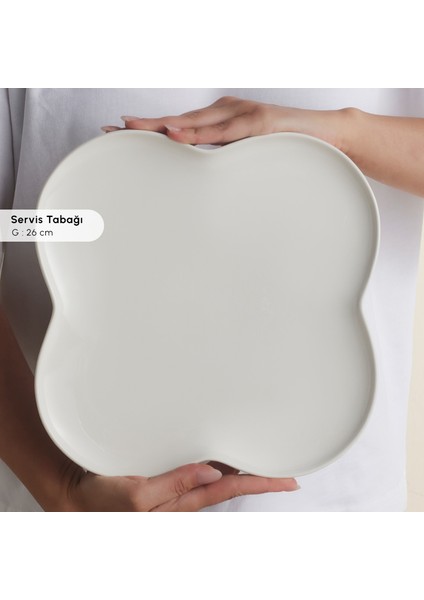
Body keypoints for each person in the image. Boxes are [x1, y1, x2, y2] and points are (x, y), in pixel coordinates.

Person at [0, 89, 423, 511]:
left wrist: (343, 135)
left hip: (343, 494)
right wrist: (61, 489)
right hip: (75, 484)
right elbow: (9, 225)